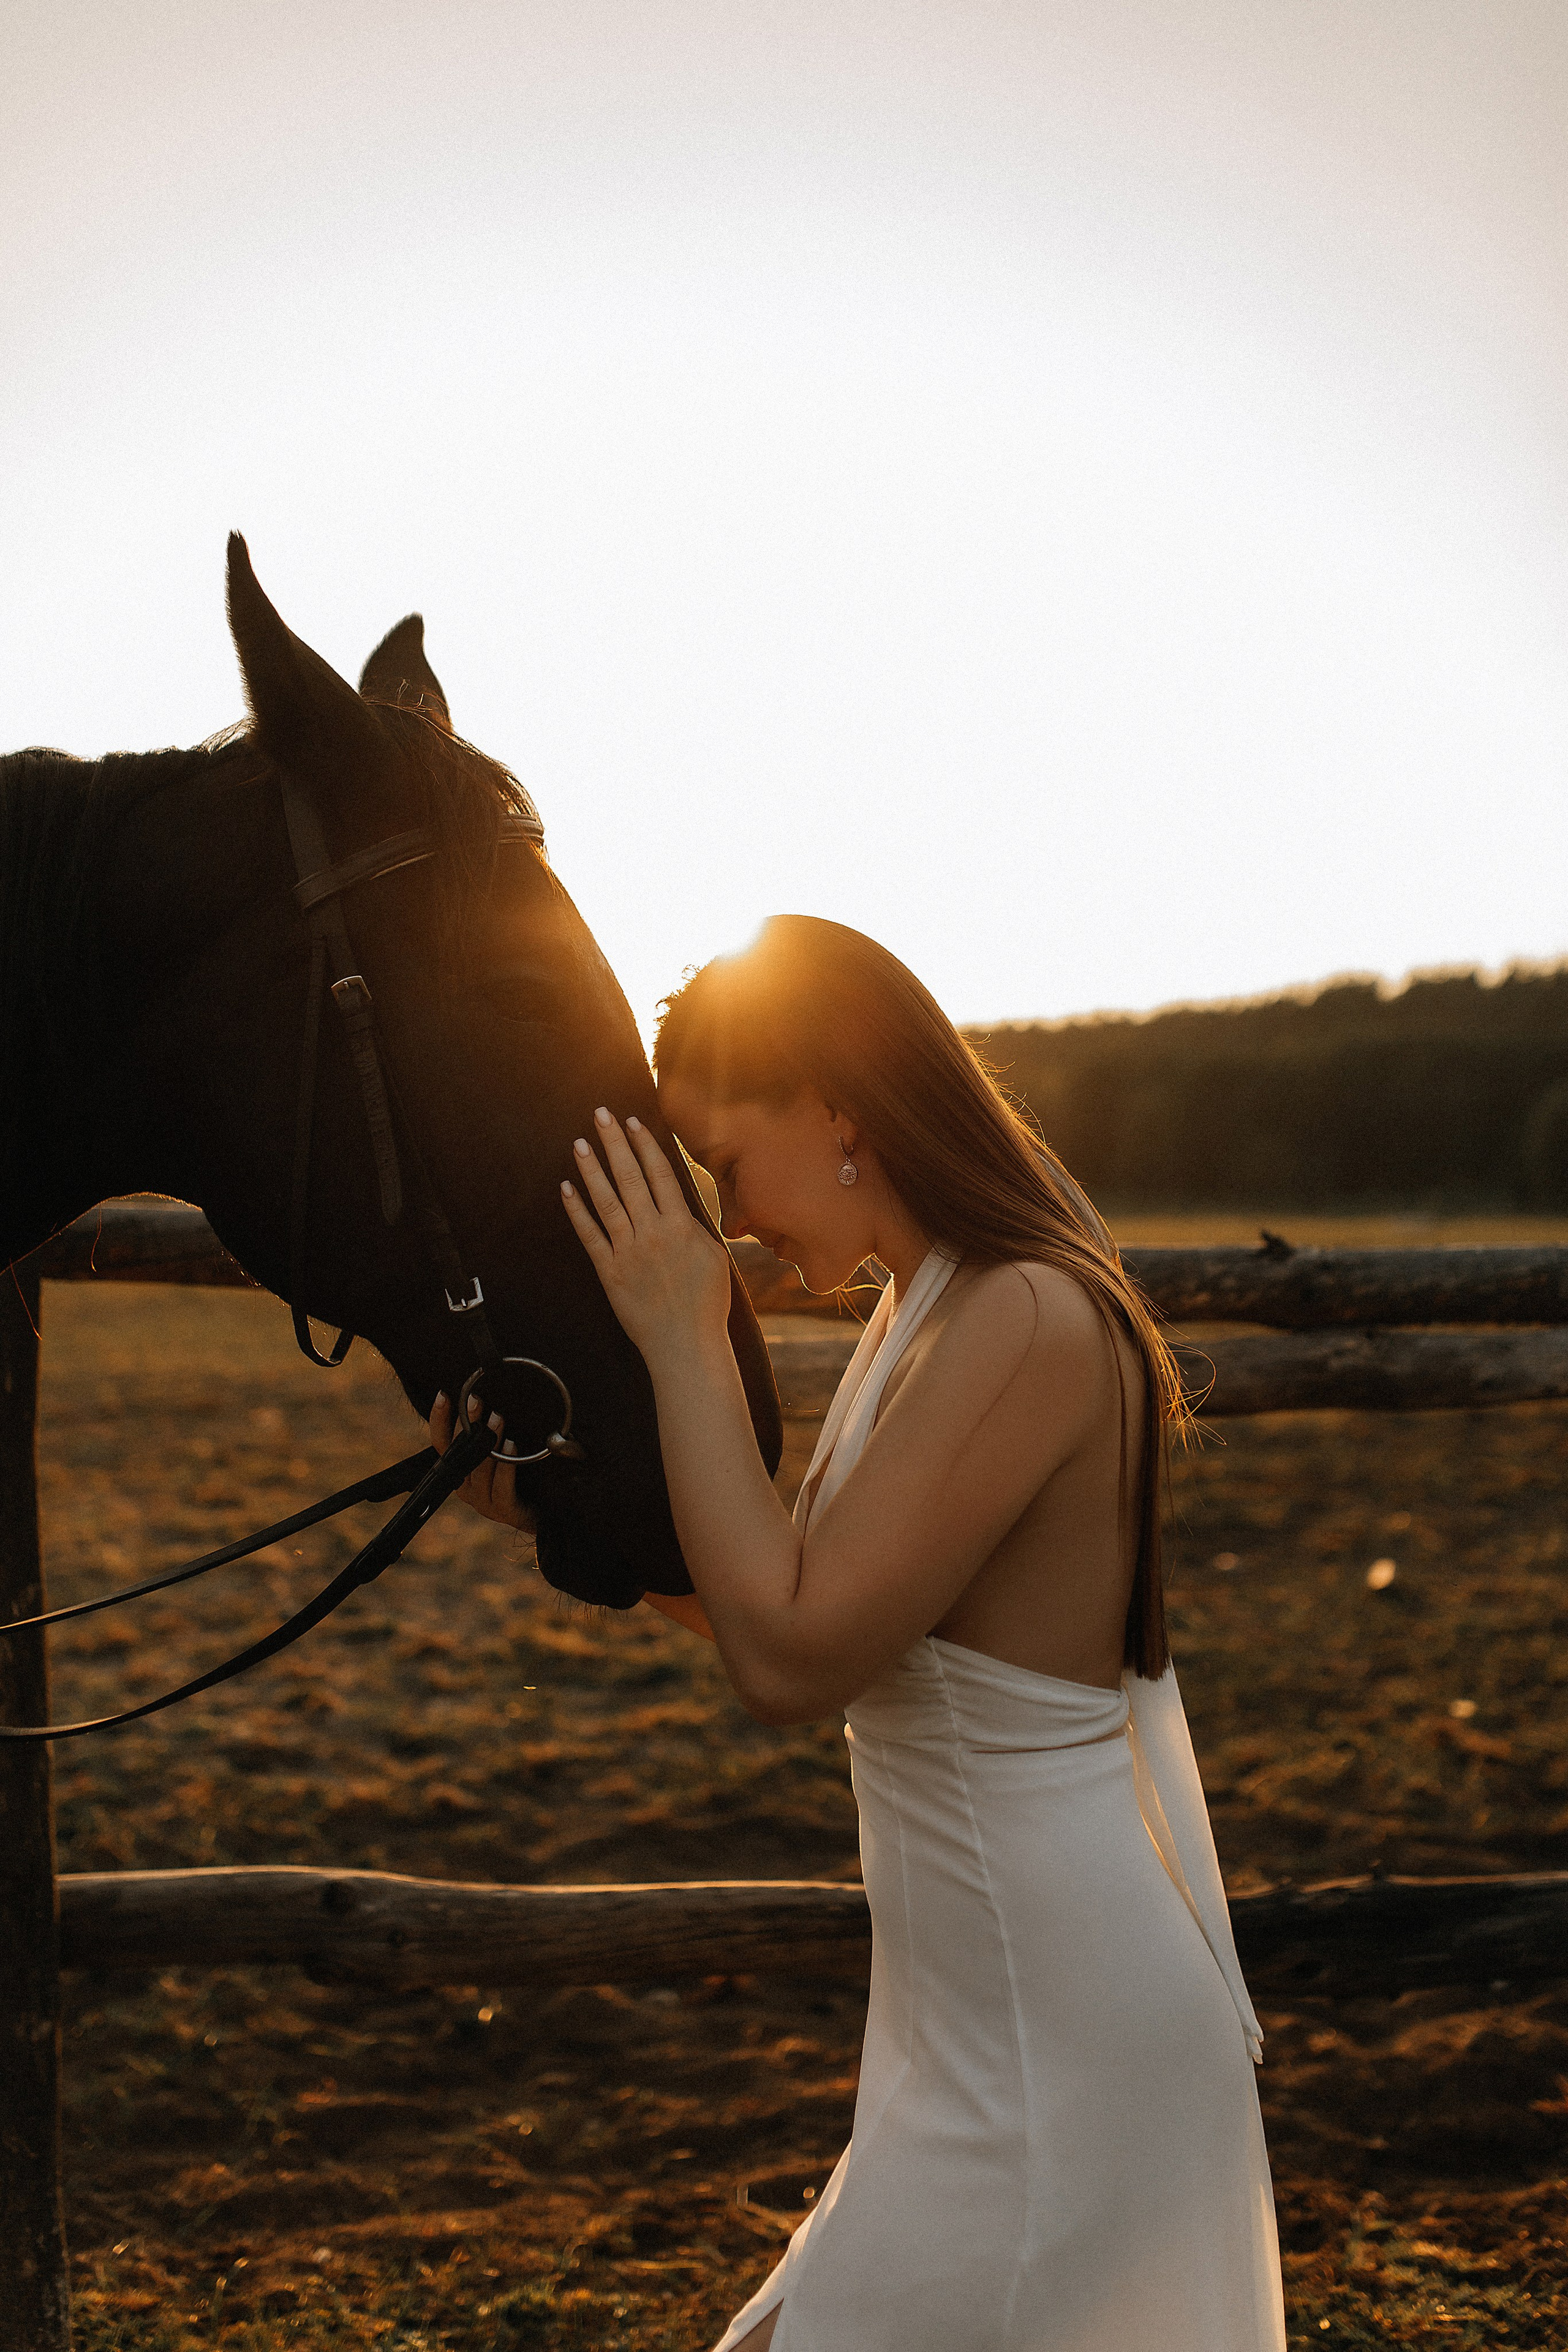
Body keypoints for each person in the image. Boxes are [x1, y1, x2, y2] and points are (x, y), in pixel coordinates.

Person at [431, 915, 1287, 2352]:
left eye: (723, 1164)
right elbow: (813, 1621)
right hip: (971, 2025)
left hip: (1054, 2034)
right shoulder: (928, 1312)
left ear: (836, 1110)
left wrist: (683, 1330)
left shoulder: (1021, 1317)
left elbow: (785, 1667)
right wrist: (550, 1525)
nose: (726, 1214)